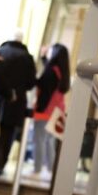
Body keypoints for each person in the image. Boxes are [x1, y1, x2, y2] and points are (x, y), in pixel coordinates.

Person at [0, 37, 37, 176]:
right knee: (8, 135)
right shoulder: (27, 58)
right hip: (16, 102)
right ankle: (0, 165)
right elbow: (31, 82)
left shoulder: (1, 52)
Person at [30, 43, 70, 177]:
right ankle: (51, 170)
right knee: (49, 142)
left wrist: (39, 110)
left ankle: (37, 169)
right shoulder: (62, 71)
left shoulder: (51, 70)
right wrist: (43, 58)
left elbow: (45, 89)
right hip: (58, 111)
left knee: (39, 140)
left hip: (45, 111)